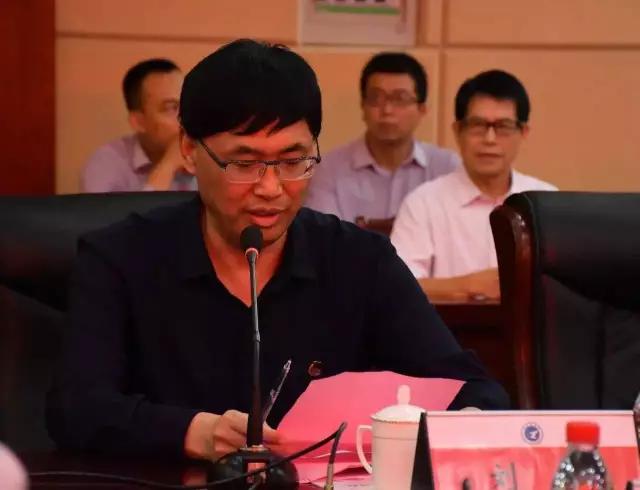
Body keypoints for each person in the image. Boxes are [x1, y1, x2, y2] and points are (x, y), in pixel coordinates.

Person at [46, 40, 509, 461]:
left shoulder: (360, 261)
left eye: (293, 161)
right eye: (244, 163)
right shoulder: (120, 258)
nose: (271, 188)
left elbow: (473, 390)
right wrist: (191, 432)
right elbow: (75, 408)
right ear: (188, 149)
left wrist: (450, 425)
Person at [391, 70, 557, 302]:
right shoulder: (423, 203)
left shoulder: (546, 202)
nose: (490, 139)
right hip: (447, 325)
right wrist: (468, 285)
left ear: (523, 133)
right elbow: (396, 284)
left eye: (503, 126)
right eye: (478, 125)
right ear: (458, 131)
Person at [305, 52, 459, 222]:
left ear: (422, 110)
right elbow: (323, 234)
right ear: (363, 106)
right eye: (376, 98)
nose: (387, 110)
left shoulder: (447, 168)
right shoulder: (329, 170)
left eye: (400, 99)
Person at [81, 58, 196, 192]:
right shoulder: (106, 162)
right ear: (138, 122)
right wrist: (168, 166)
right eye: (171, 108)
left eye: (187, 103)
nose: (186, 116)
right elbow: (99, 207)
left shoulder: (203, 151)